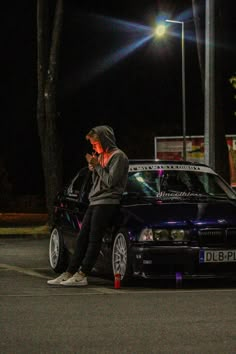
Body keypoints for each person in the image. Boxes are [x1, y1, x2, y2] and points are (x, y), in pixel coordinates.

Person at [47, 125, 129, 286]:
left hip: (107, 202)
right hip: (95, 201)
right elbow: (98, 182)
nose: (93, 147)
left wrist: (96, 166)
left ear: (105, 140)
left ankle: (83, 274)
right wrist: (94, 168)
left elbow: (111, 182)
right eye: (92, 144)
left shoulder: (119, 157)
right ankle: (70, 272)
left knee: (94, 239)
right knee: (82, 237)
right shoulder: (102, 156)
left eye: (95, 143)